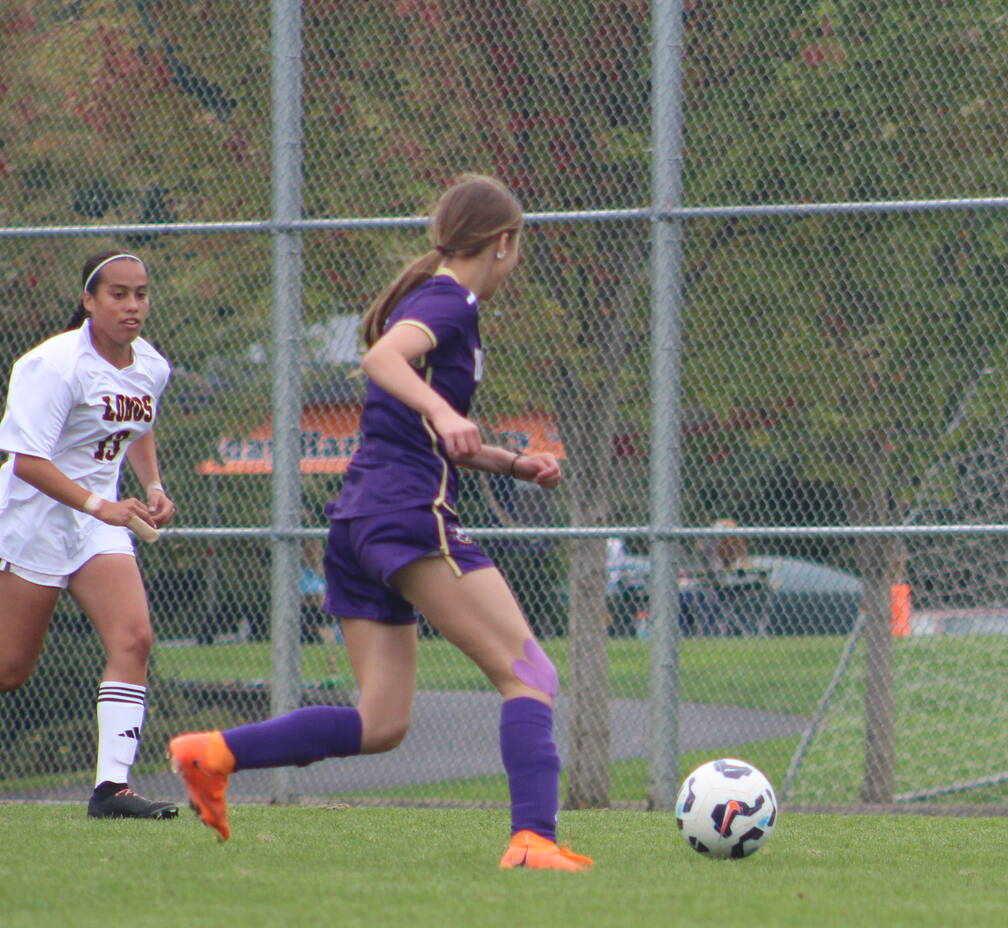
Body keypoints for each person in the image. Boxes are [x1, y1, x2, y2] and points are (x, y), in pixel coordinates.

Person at [169, 174, 590, 870]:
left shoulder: (442, 302)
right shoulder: (449, 300)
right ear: (505, 243)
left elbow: (414, 424)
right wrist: (447, 411)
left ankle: (212, 753)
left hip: (360, 521)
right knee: (531, 674)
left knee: (381, 723)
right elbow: (380, 359)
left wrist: (512, 462)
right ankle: (533, 839)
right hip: (405, 517)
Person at [0, 249, 178, 818]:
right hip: (34, 520)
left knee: (134, 639)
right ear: (88, 300)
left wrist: (152, 487)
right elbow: (26, 461)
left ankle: (111, 789)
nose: (132, 305)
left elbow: (139, 423)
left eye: (141, 293)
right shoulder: (53, 365)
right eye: (118, 294)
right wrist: (99, 504)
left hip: (98, 526)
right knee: (10, 667)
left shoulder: (150, 364)